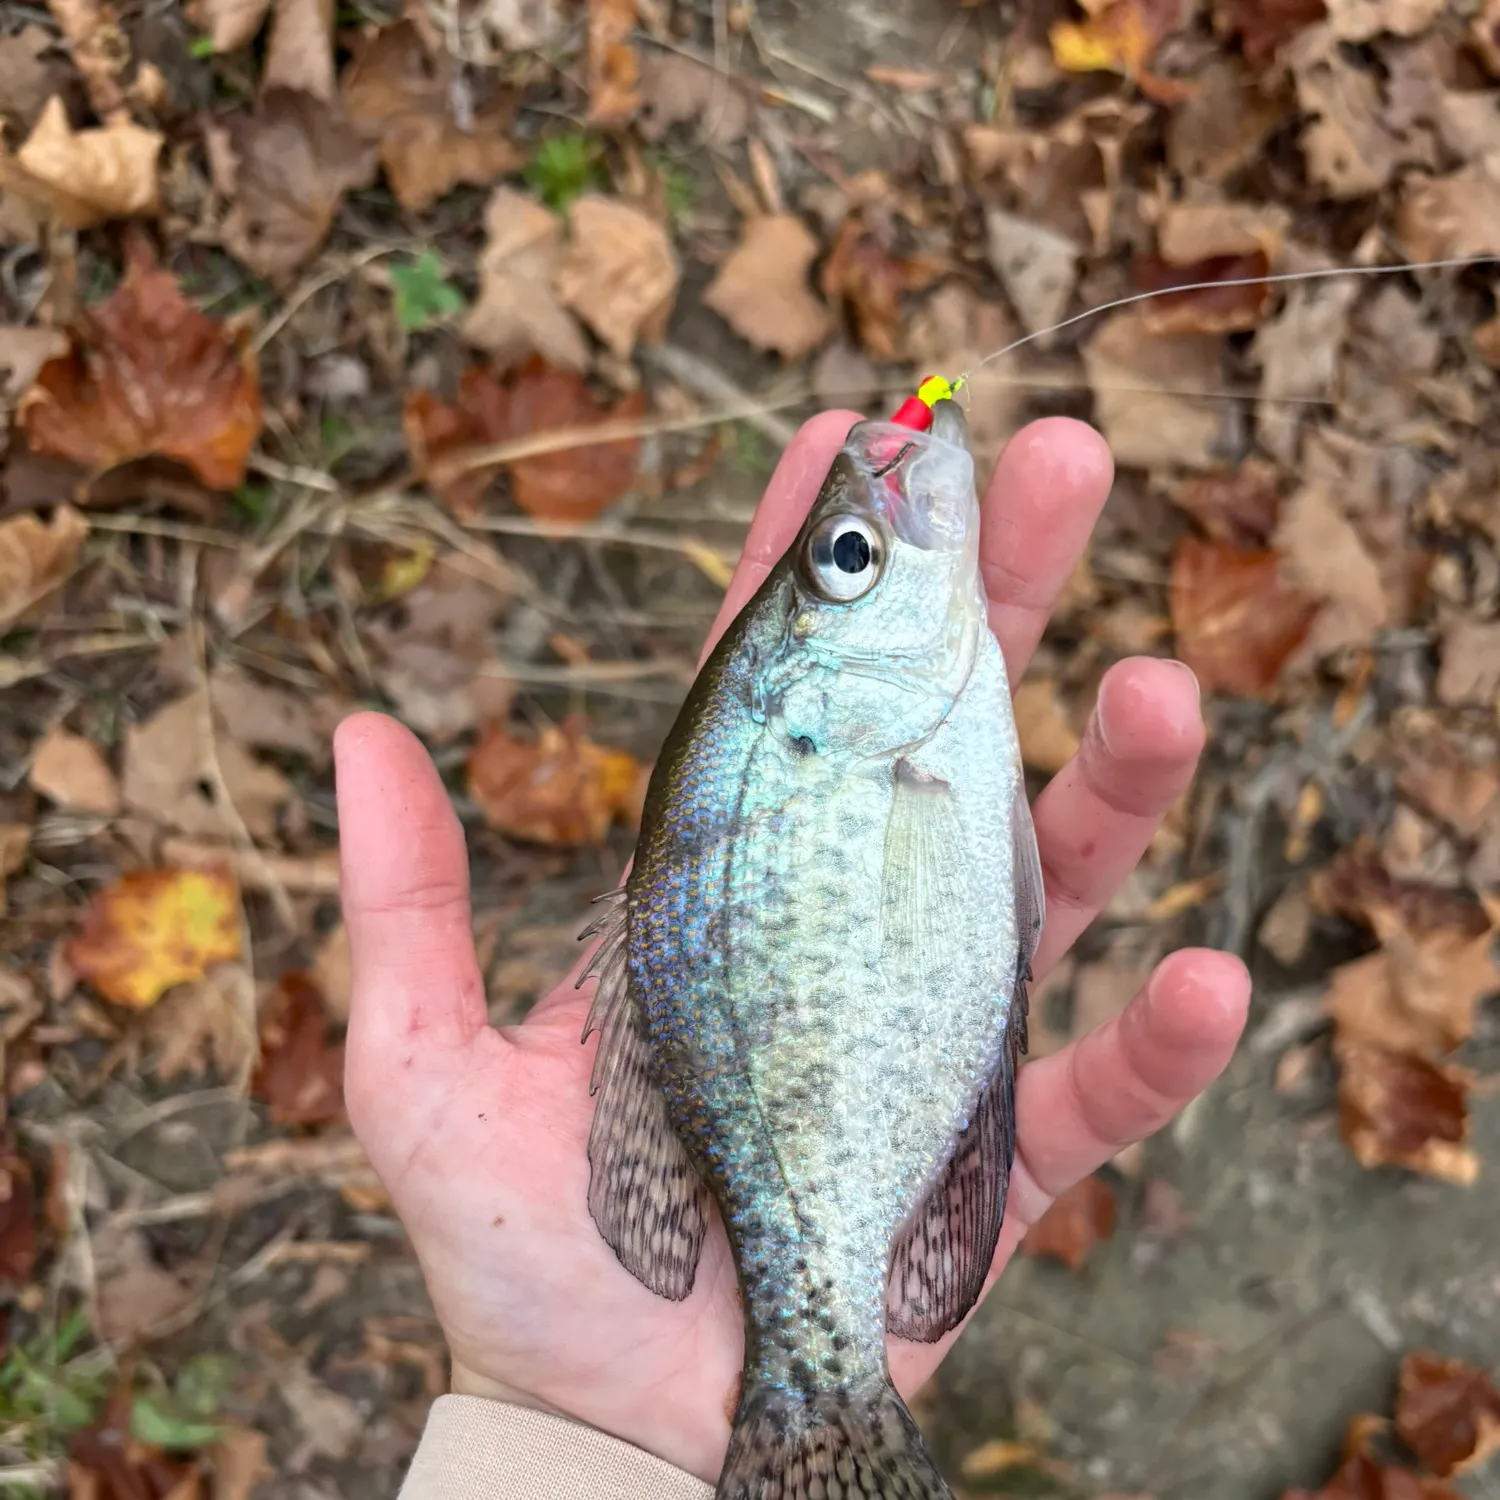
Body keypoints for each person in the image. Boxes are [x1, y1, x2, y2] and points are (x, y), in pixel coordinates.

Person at [332, 410, 1252, 1499]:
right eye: (854, 557)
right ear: (809, 698)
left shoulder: (912, 709)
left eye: (848, 554)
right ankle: (821, 1392)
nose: (875, 532)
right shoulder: (923, 717)